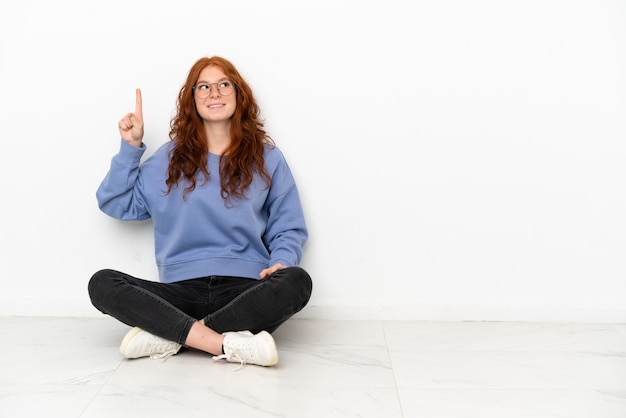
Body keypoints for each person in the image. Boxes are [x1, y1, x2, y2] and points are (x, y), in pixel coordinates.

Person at [88, 56, 312, 368]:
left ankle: (173, 334)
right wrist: (130, 147)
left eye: (223, 85)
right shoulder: (167, 159)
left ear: (239, 94)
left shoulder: (267, 157)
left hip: (245, 290)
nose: (214, 93)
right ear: (192, 99)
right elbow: (115, 202)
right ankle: (223, 343)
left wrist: (280, 263)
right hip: (180, 291)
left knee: (296, 281)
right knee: (102, 283)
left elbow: (288, 228)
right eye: (203, 87)